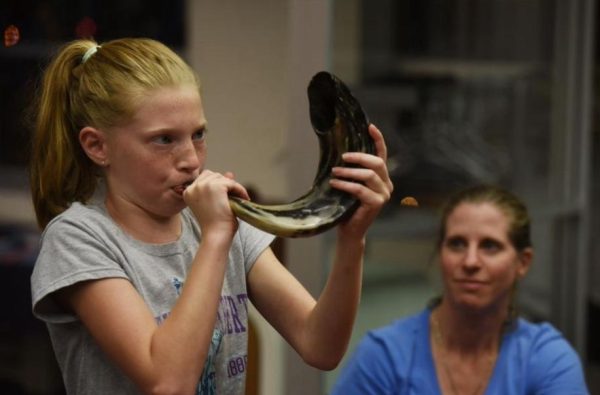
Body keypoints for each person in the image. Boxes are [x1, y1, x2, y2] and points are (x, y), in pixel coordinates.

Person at [28, 38, 394, 395]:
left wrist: (351, 239)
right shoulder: (78, 237)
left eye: (198, 134)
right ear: (97, 146)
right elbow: (167, 383)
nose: (191, 159)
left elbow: (320, 346)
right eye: (164, 140)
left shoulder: (225, 224)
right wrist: (216, 237)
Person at [331, 185, 590, 395]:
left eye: (490, 246)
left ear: (522, 262)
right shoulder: (385, 356)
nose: (470, 262)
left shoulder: (546, 358)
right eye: (457, 244)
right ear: (440, 253)